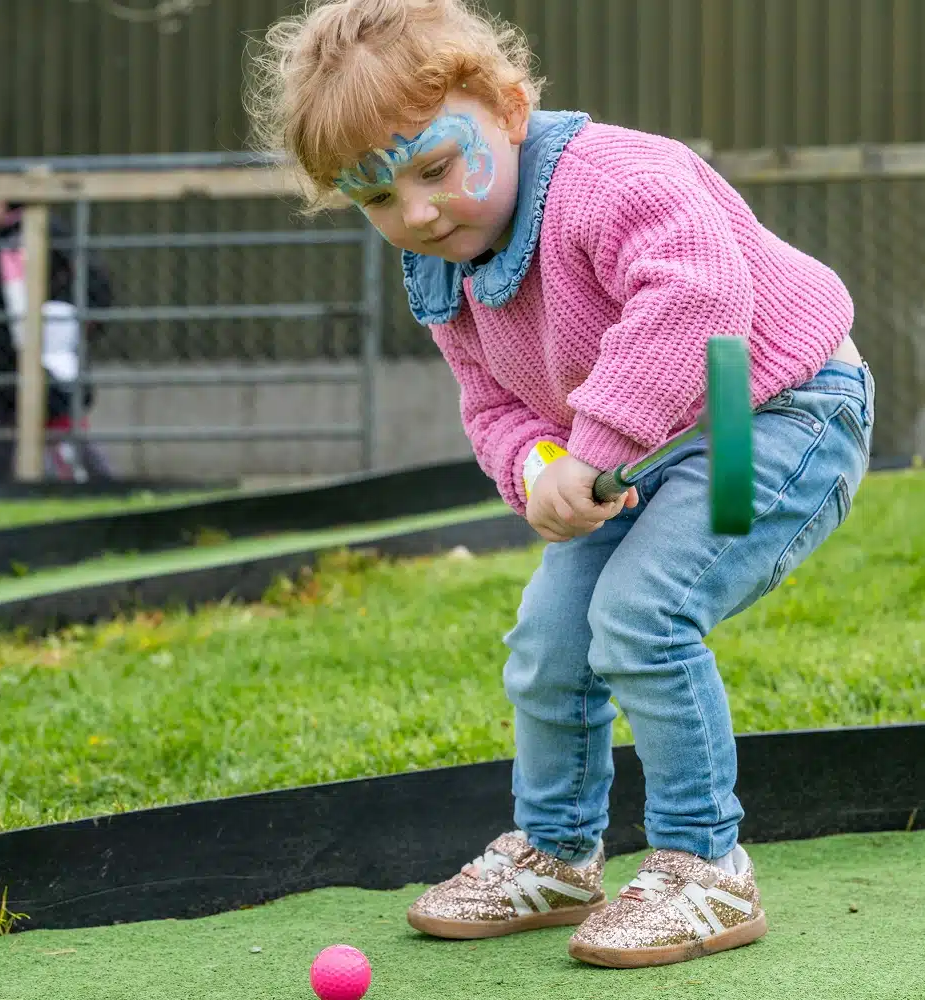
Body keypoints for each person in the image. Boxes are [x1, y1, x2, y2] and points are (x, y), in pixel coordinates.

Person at [247, 0, 874, 969]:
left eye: (434, 168)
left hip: (770, 409)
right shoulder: (446, 262)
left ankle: (705, 866)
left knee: (642, 610)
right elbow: (493, 404)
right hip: (635, 450)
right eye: (376, 198)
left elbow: (701, 299)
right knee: (548, 638)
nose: (414, 212)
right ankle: (555, 852)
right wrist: (540, 468)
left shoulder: (613, 180)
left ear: (505, 106)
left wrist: (596, 441)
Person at [0, 200, 114, 482]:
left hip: (32, 348)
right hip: (49, 344)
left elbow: (16, 300)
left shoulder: (20, 239)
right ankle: (98, 482)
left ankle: (4, 490)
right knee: (46, 422)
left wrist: (19, 349)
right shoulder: (48, 233)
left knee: (40, 421)